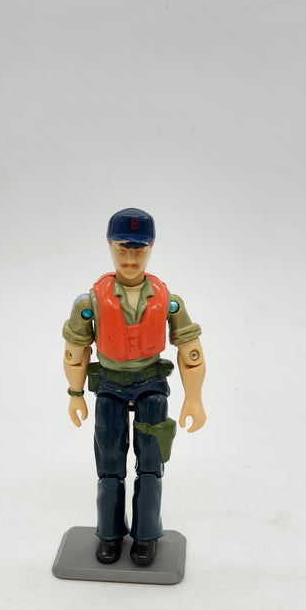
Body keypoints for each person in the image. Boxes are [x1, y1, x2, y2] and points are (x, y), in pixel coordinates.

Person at [62, 207, 206, 567]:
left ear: (151, 248)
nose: (130, 258)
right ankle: (109, 534)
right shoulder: (90, 303)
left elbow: (190, 351)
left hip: (150, 385)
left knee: (151, 465)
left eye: (138, 250)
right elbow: (75, 351)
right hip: (110, 386)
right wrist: (76, 394)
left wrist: (194, 398)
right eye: (123, 249)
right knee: (109, 466)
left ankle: (145, 535)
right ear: (110, 246)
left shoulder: (168, 300)